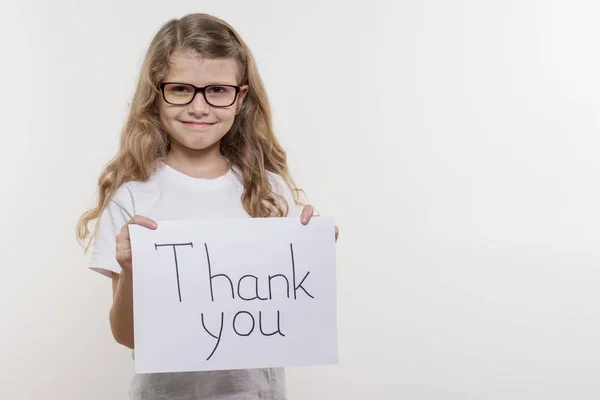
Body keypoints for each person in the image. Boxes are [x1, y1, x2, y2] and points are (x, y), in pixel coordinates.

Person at [75, 12, 338, 400]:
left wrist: (311, 247)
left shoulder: (268, 189)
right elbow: (126, 335)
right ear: (156, 92)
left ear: (240, 98)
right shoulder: (133, 197)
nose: (199, 107)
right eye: (181, 89)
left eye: (217, 90)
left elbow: (292, 313)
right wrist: (130, 271)